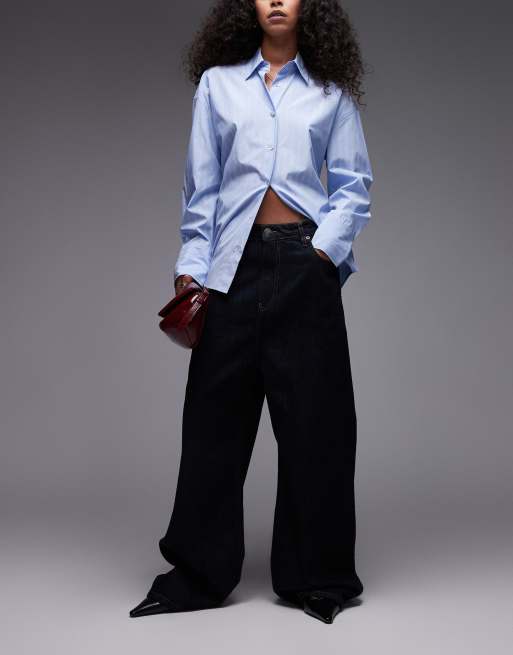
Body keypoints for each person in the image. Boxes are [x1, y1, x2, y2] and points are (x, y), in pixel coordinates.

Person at [130, 0, 373, 624]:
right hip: (230, 266)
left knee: (316, 425)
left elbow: (353, 186)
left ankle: (318, 577)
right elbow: (201, 188)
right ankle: (197, 573)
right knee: (213, 425)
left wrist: (321, 254)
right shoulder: (217, 86)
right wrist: (191, 264)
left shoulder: (330, 92)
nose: (276, 0)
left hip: (303, 266)